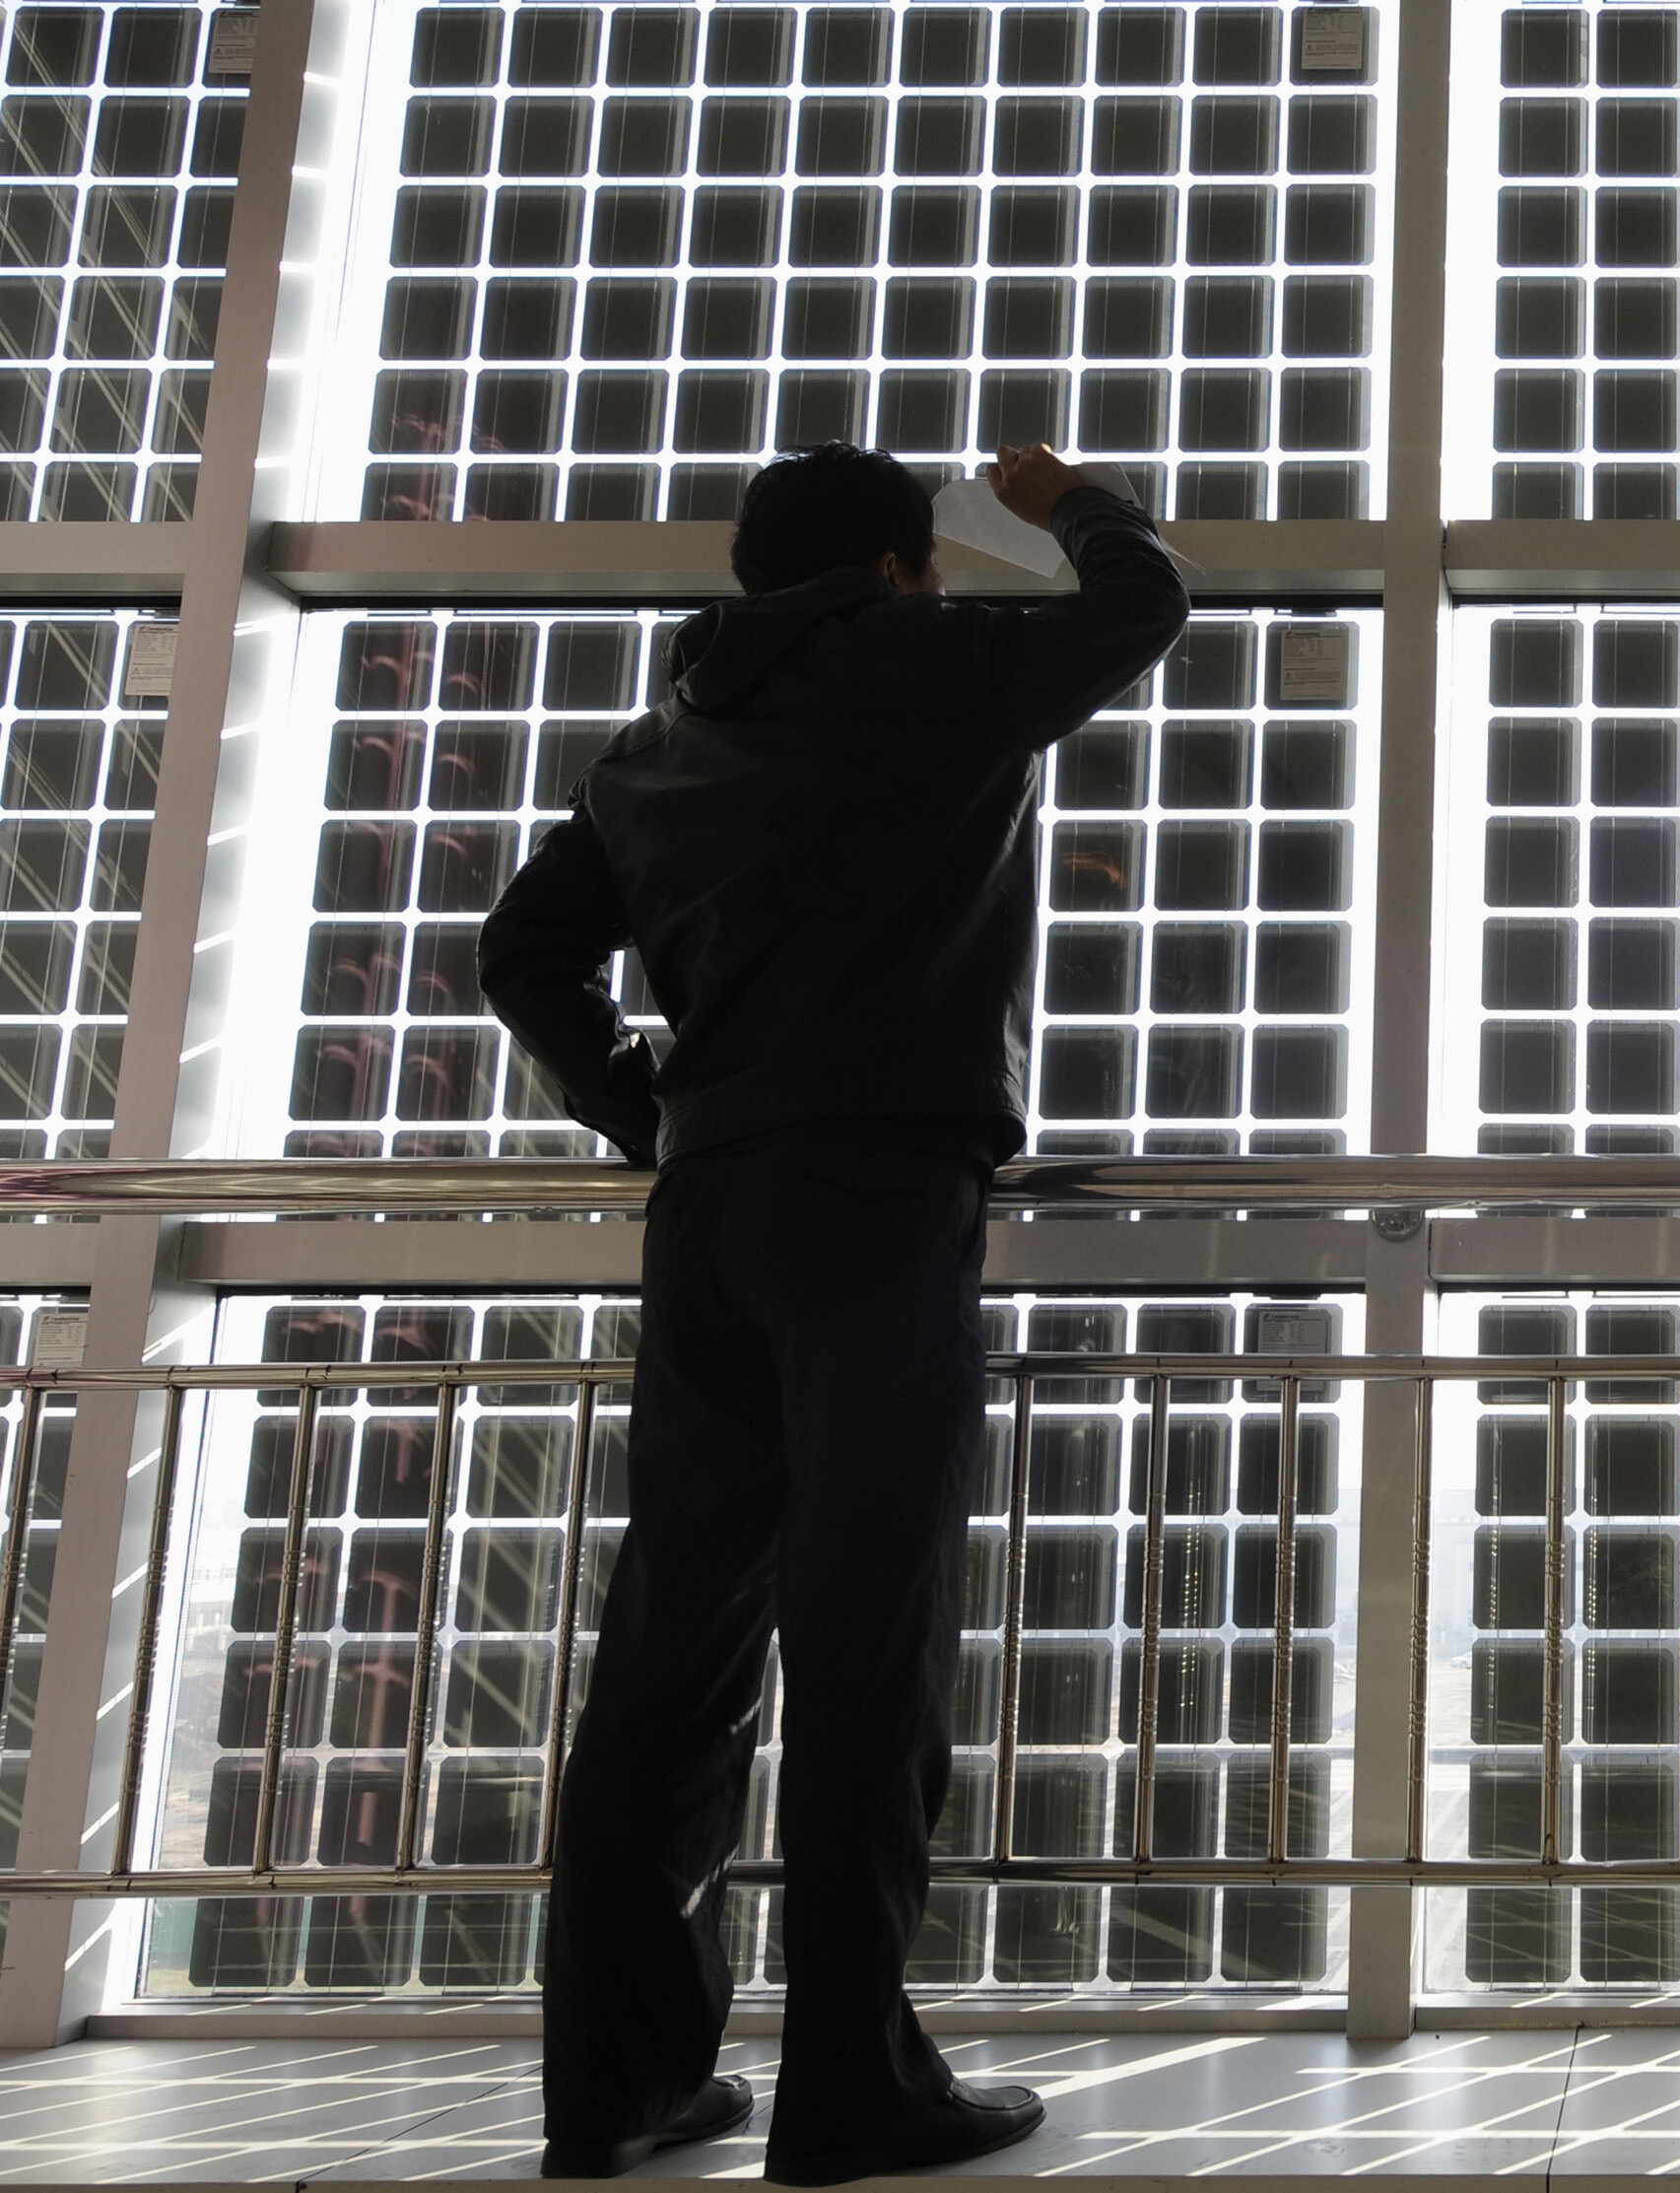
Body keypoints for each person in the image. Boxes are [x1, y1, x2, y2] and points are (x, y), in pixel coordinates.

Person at [480, 443, 1189, 2186]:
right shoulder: (928, 669)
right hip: (878, 1196)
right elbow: (1142, 605)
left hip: (711, 1205)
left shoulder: (653, 746)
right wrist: (1076, 501)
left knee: (673, 1648)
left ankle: (620, 2083)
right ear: (898, 567)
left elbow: (522, 951)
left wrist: (644, 1105)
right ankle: (851, 2087)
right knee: (869, 1643)